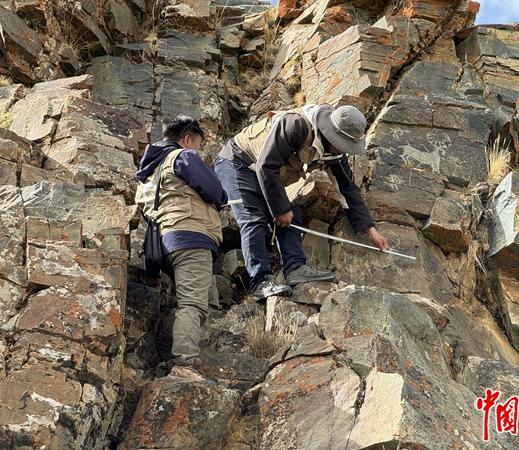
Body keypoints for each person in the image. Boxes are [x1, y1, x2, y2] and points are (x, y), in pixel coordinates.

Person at [214, 104, 387, 300]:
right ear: (331, 132)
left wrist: (370, 229)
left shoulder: (335, 152)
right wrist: (280, 210)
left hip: (263, 172)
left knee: (292, 213)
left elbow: (347, 189)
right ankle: (260, 281)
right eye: (342, 143)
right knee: (253, 218)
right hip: (236, 162)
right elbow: (267, 166)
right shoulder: (295, 125)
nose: (343, 148)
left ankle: (295, 268)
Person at [135, 116, 227, 380]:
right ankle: (184, 365)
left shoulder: (149, 173)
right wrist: (221, 198)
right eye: (197, 143)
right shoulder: (183, 156)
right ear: (187, 139)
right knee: (192, 304)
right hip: (191, 238)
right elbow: (215, 190)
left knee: (195, 301)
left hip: (164, 243)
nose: (197, 149)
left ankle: (191, 358)